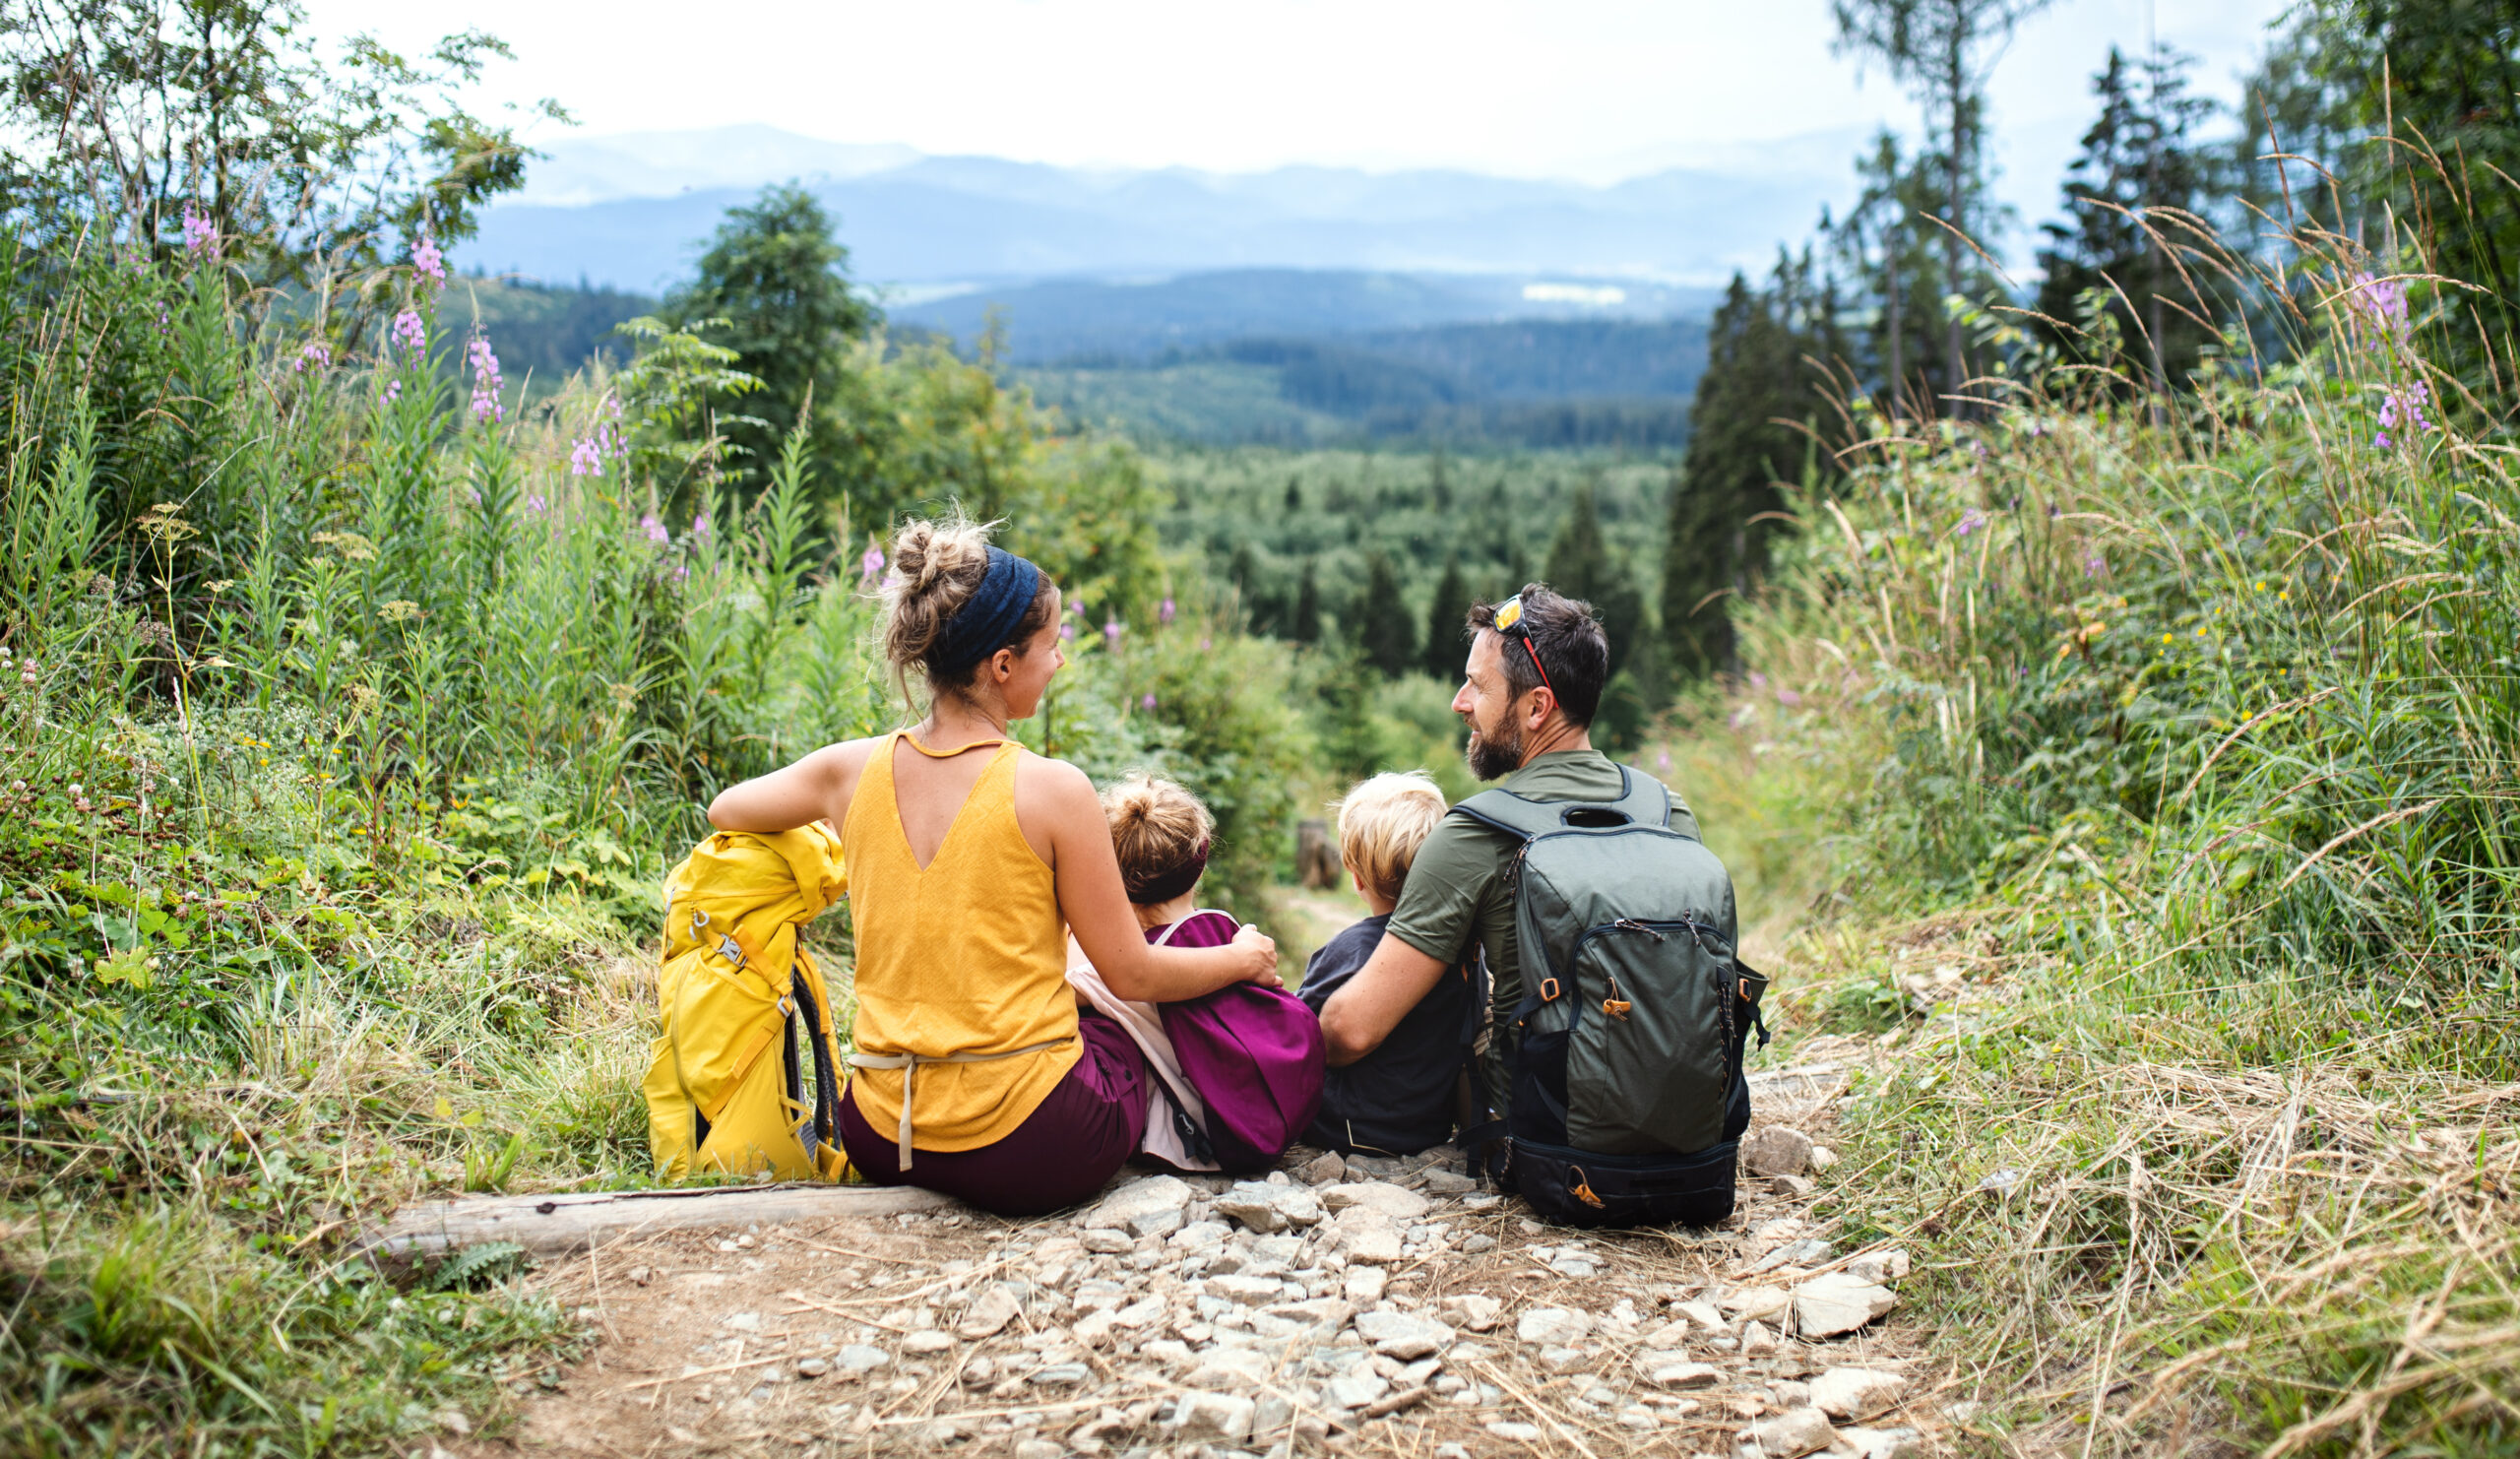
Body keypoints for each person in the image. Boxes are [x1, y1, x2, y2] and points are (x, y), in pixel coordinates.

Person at [705, 518, 1277, 1216]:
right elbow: (1134, 973)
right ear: (1002, 665)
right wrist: (1242, 958)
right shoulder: (1054, 789)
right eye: (1051, 647)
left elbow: (726, 809)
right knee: (1113, 1023)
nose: (1059, 663)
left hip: (882, 1131)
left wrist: (840, 842)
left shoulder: (848, 770)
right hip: (1031, 1145)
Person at [1315, 584, 1699, 1126]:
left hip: (1544, 1139)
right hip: (1691, 1130)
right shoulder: (1667, 812)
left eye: (1476, 685)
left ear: (1537, 706)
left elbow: (1352, 1032)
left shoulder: (1474, 835)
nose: (1459, 703)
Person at [1294, 771, 1477, 1156]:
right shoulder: (1461, 951)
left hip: (1340, 1128)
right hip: (1425, 1130)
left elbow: (1298, 1035)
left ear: (1356, 877)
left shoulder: (1353, 948)